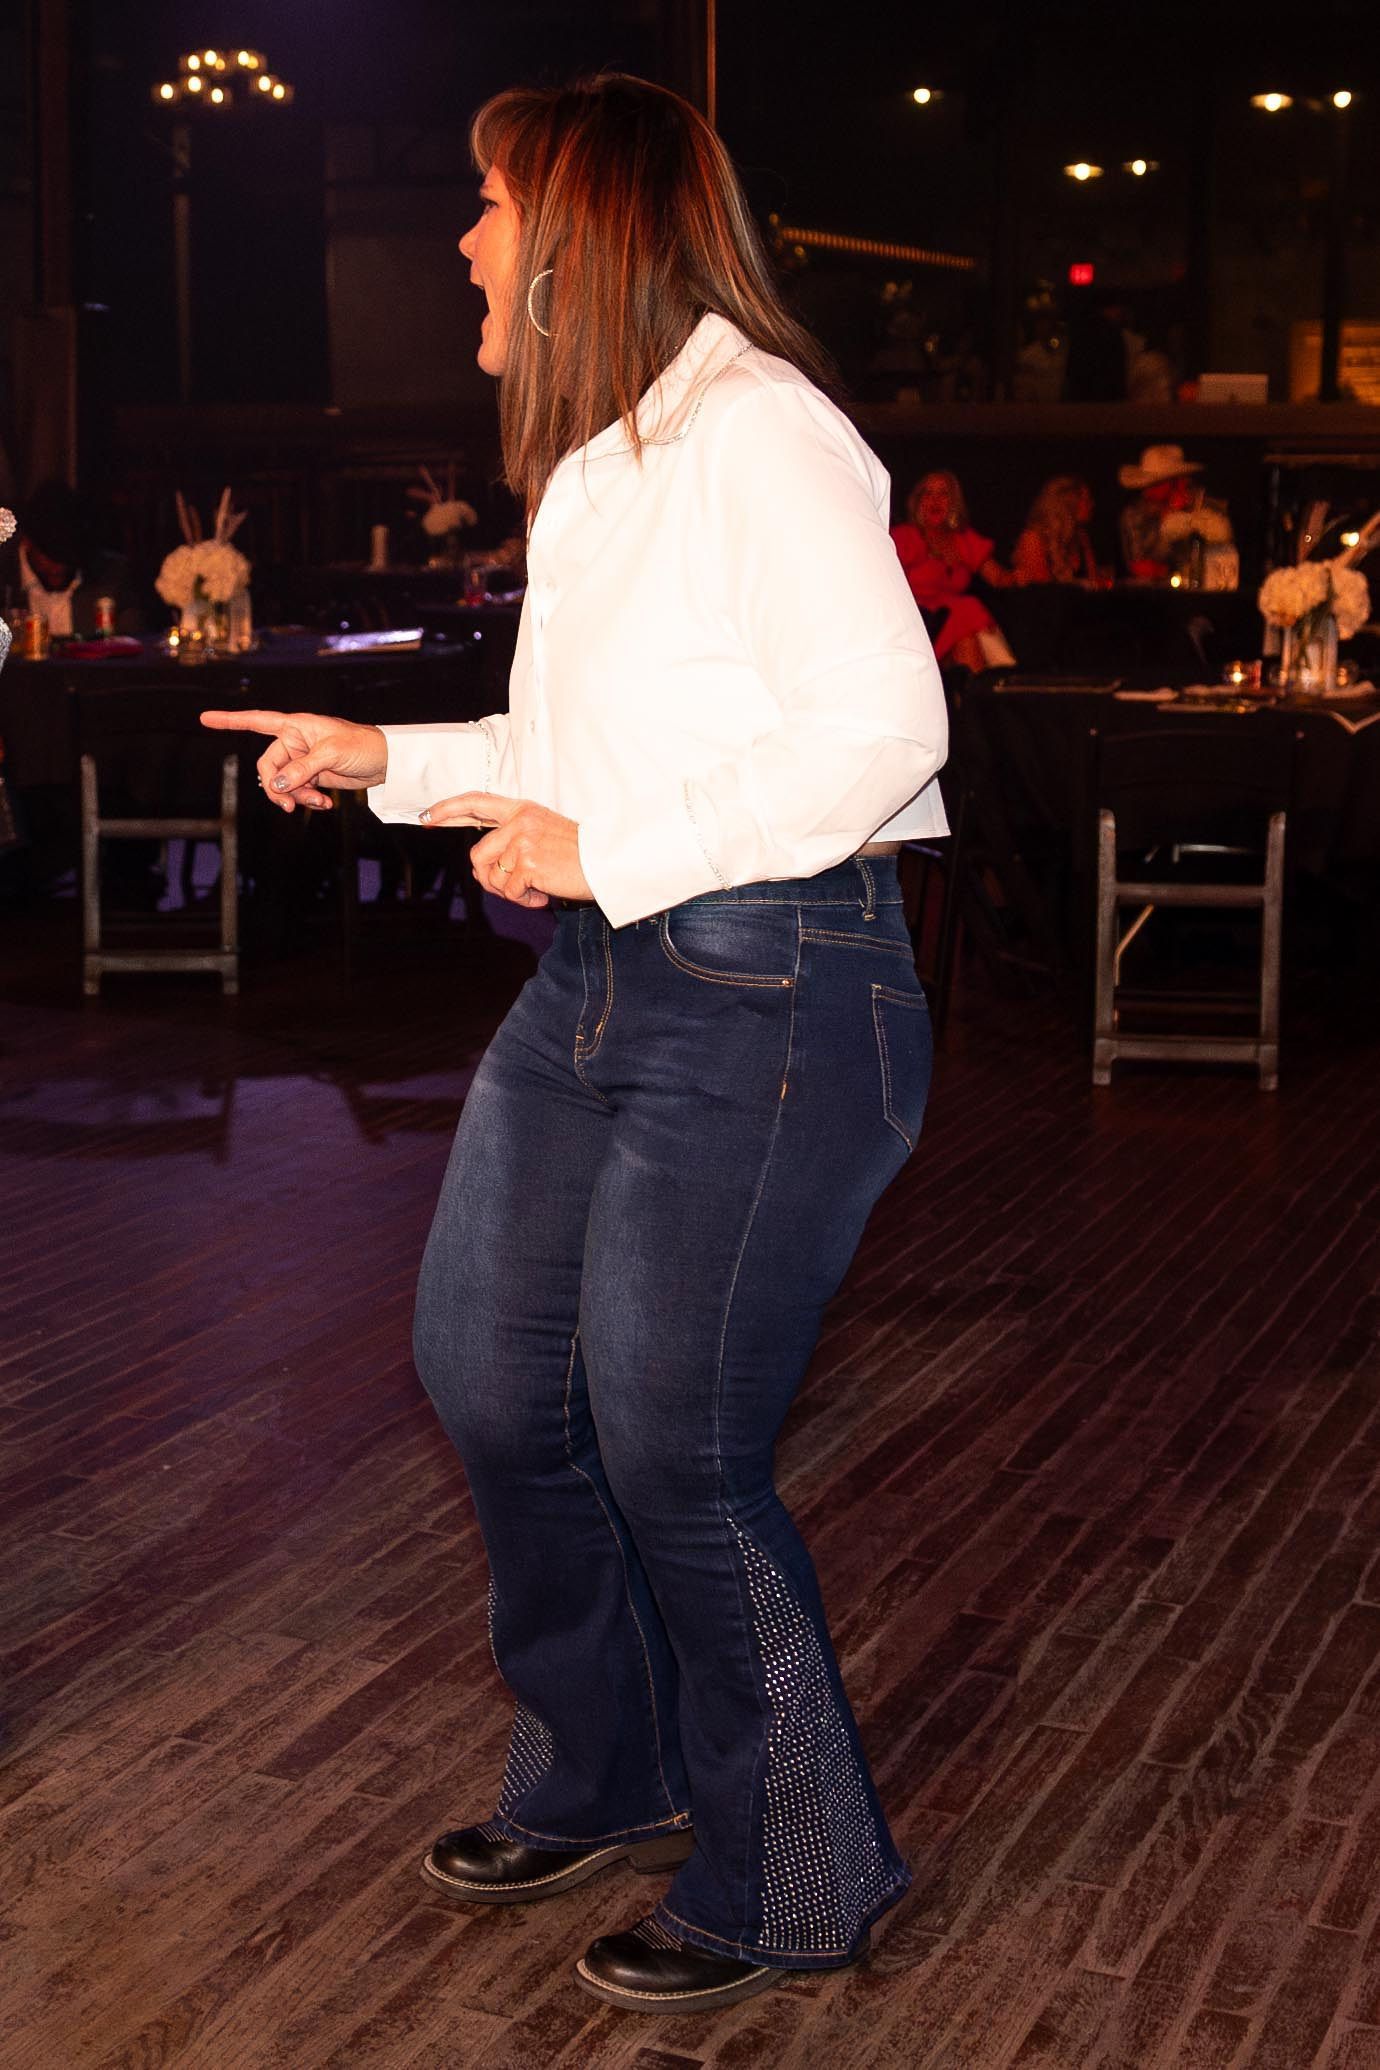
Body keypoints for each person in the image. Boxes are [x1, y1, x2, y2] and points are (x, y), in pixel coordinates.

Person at [202, 74, 946, 2018]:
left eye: (487, 204)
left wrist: (617, 850)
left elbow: (886, 736)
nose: (462, 240)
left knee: (674, 1442)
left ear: (581, 233)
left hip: (780, 986)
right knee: (487, 1377)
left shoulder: (760, 436)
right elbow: (583, 757)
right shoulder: (605, 462)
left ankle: (802, 1867)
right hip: (605, 984)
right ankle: (603, 1771)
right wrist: (394, 764)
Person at [890, 471, 1015, 670]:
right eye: (928, 494)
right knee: (968, 607)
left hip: (953, 626)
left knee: (967, 639)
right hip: (920, 625)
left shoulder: (963, 539)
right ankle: (1007, 673)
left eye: (943, 494)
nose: (935, 501)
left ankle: (991, 690)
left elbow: (999, 578)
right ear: (918, 501)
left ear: (954, 502)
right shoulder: (905, 537)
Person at [0, 480, 140, 636]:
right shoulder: (5, 573)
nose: (59, 567)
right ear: (27, 542)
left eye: (68, 556)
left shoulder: (110, 576)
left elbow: (132, 641)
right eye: (51, 556)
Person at [1118, 444, 1231, 582]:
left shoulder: (1195, 504)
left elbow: (1222, 542)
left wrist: (1189, 515)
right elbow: (1140, 565)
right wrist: (1170, 521)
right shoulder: (1134, 513)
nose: (1147, 489)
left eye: (1156, 483)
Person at [1012, 476, 1103, 586]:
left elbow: (1095, 583)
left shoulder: (1080, 536)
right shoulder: (1033, 539)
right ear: (1068, 504)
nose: (1092, 504)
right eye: (1087, 499)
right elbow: (1042, 591)